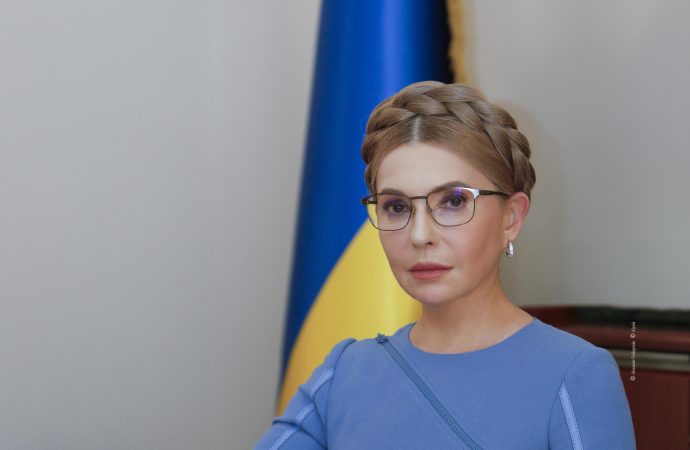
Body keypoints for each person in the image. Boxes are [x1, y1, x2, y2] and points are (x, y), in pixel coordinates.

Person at [254, 81, 636, 449]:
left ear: (512, 217)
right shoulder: (344, 373)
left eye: (453, 201)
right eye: (396, 206)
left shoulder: (575, 374)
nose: (420, 235)